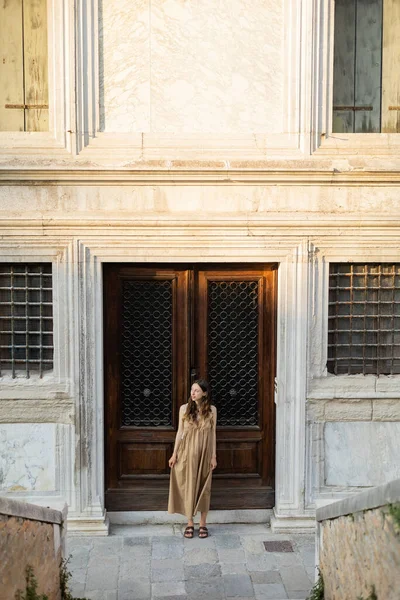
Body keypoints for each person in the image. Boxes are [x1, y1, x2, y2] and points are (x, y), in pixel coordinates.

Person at [168, 379, 217, 538]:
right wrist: (174, 453)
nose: (193, 393)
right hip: (186, 454)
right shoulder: (184, 409)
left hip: (204, 455)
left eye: (196, 390)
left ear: (204, 393)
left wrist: (213, 456)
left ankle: (203, 523)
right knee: (188, 486)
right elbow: (179, 433)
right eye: (192, 390)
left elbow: (213, 434)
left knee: (204, 487)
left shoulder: (212, 410)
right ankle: (190, 523)